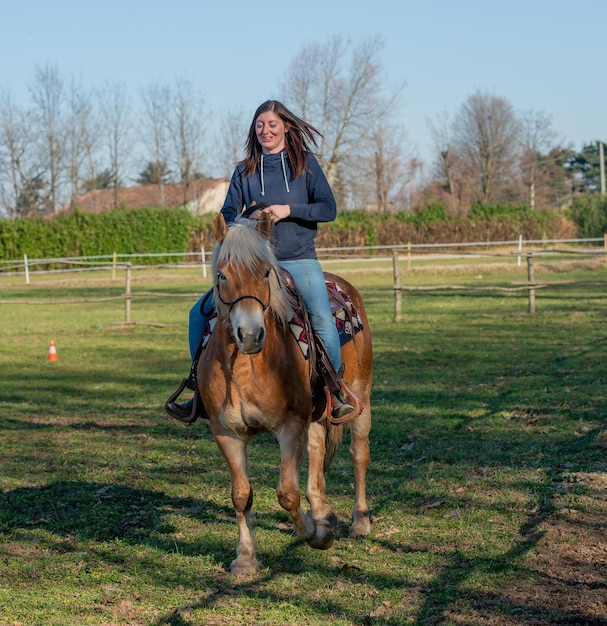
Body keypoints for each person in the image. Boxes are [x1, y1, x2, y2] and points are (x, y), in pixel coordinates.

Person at [166, 99, 355, 422]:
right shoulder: (244, 170)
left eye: (272, 125)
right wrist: (246, 216)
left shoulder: (305, 166)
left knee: (322, 319)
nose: (265, 130)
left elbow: (328, 209)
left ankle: (334, 391)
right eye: (260, 125)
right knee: (197, 315)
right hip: (253, 267)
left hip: (297, 259)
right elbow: (227, 214)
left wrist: (288, 210)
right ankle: (198, 388)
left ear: (286, 127)